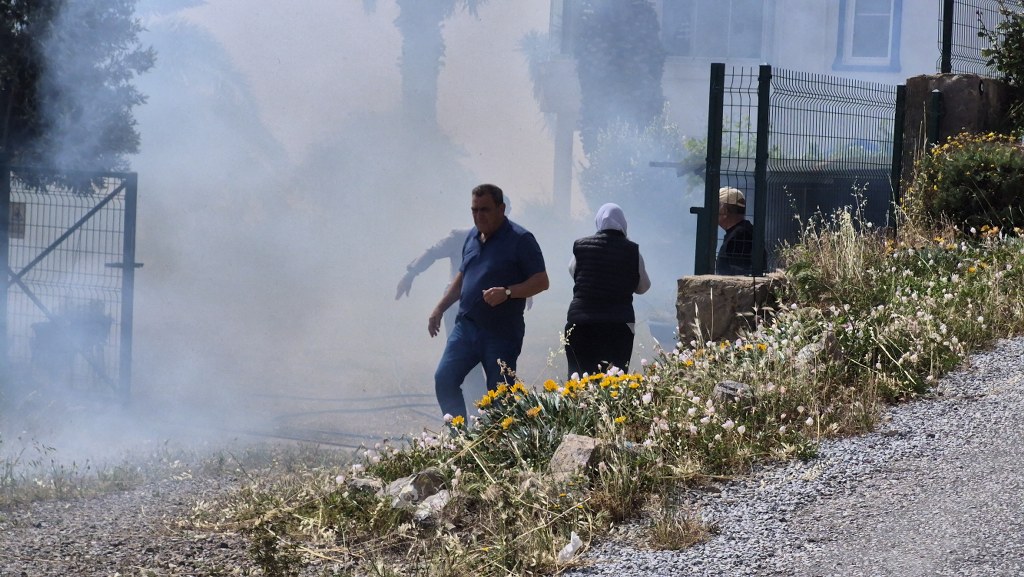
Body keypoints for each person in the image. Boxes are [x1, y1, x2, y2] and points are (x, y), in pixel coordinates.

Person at [429, 184, 549, 420]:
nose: (478, 216)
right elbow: (463, 276)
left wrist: (508, 292)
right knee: (444, 378)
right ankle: (458, 436)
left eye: (484, 210)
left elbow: (541, 281)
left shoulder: (521, 239)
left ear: (501, 209)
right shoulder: (472, 237)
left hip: (501, 332)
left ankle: (499, 439)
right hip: (466, 327)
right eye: (474, 210)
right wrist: (440, 308)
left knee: (500, 395)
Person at [564, 203, 651, 378]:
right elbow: (643, 286)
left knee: (579, 378)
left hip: (581, 323)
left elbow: (573, 271)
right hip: (618, 326)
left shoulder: (581, 246)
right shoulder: (632, 251)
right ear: (623, 224)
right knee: (613, 381)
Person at [716, 186, 755, 276]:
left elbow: (738, 273)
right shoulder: (745, 231)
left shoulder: (739, 237)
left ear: (724, 211)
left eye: (715, 206)